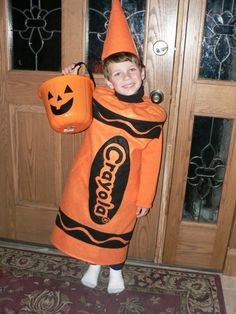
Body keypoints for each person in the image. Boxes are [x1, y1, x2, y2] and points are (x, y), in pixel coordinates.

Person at [51, 0, 166, 294]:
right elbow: (70, 104)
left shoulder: (152, 118)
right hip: (88, 177)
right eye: (118, 73)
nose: (126, 77)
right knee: (89, 218)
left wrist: (145, 198)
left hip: (127, 187)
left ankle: (115, 271)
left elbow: (153, 161)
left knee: (116, 228)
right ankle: (93, 263)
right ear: (109, 81)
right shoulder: (98, 98)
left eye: (131, 70)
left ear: (142, 72)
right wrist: (71, 78)